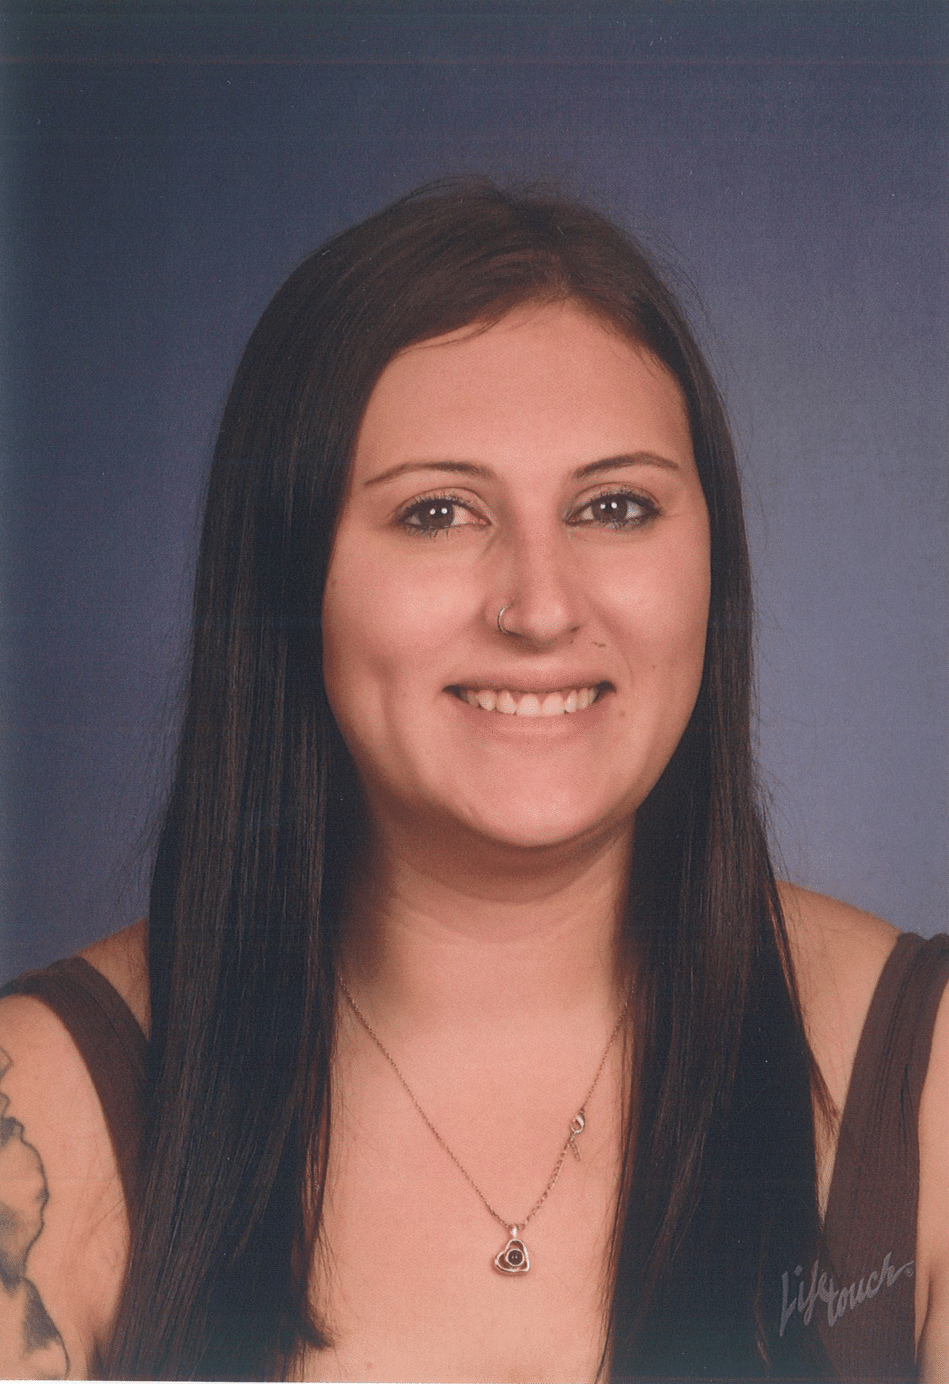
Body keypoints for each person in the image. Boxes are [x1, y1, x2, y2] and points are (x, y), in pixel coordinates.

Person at [0, 181, 946, 1384]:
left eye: (615, 506)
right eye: (438, 512)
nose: (540, 607)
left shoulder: (927, 1084)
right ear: (288, 578)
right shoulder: (41, 1108)